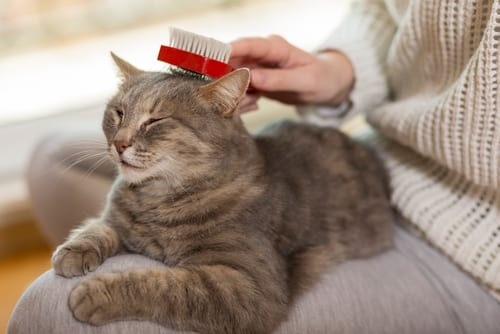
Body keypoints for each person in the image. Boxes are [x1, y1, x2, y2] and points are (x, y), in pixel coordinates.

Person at [8, 0, 500, 333]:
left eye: (150, 125)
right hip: (386, 144)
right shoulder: (165, 152)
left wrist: (135, 289)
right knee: (51, 161)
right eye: (118, 117)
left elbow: (255, 301)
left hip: (468, 250)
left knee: (55, 308)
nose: (119, 142)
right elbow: (393, 14)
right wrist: (335, 71)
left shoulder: (240, 205)